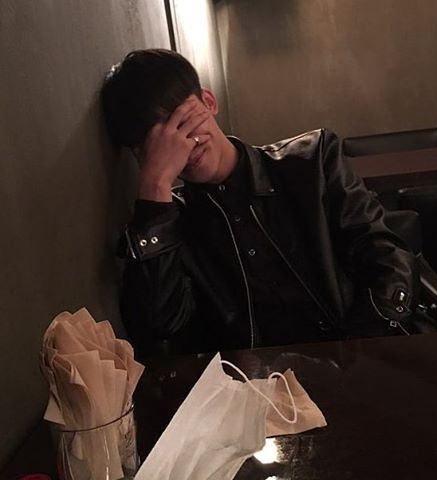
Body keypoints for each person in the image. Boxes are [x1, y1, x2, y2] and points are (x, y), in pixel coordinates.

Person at [101, 49, 417, 357]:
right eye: (158, 145)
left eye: (181, 123)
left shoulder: (313, 162)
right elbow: (160, 328)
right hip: (255, 384)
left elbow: (385, 255)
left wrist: (357, 352)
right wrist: (155, 187)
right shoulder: (173, 225)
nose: (183, 146)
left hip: (360, 354)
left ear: (209, 102)